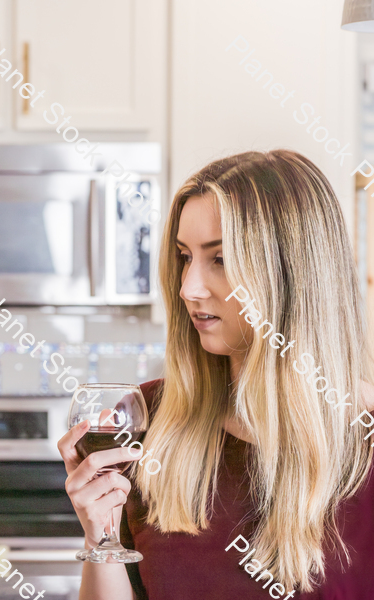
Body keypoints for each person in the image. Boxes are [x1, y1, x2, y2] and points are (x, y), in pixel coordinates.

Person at [58, 150, 374, 599]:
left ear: (292, 272)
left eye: (220, 259)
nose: (189, 288)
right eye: (185, 256)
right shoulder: (149, 420)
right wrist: (99, 535)